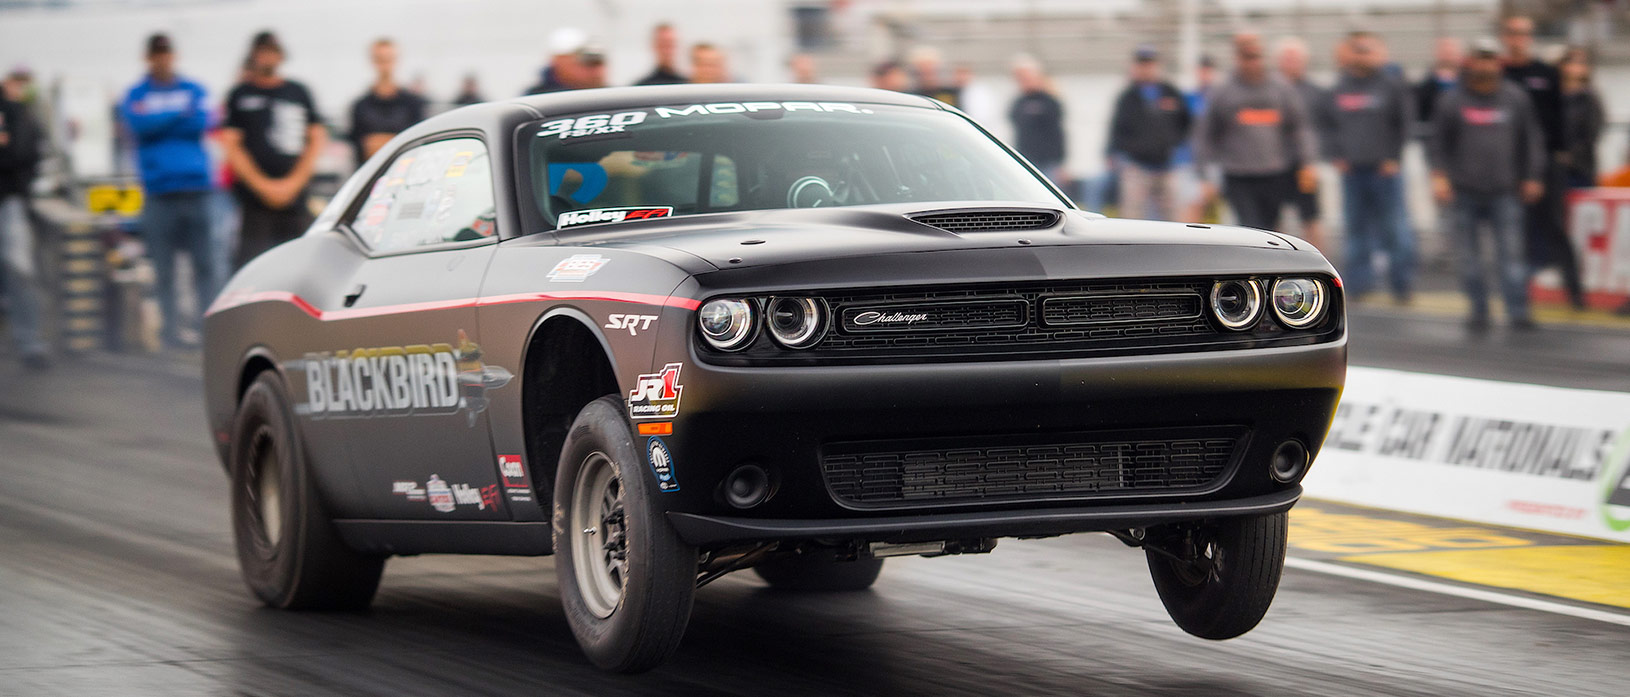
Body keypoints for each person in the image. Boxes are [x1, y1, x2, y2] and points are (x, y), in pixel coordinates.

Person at [1430, 38, 1545, 331]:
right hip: (1464, 191)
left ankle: (1518, 311)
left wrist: (1532, 175)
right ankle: (1478, 311)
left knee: (1511, 257)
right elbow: (1438, 144)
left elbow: (1530, 140)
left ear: (1499, 63)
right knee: (1469, 259)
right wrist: (1439, 177)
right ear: (1470, 63)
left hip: (1505, 191)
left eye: (1490, 59)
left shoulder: (1515, 98)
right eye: (1480, 59)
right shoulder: (1452, 100)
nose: (1485, 65)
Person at [119, 33, 218, 349]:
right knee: (164, 270)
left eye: (166, 53)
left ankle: (210, 332)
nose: (162, 59)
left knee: (206, 266)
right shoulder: (136, 93)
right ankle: (171, 334)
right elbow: (139, 126)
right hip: (159, 194)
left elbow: (202, 122)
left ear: (173, 56)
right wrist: (177, 115)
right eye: (156, 54)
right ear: (148, 57)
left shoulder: (194, 89)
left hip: (197, 190)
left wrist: (159, 121)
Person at [1194, 32, 1318, 231]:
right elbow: (1205, 135)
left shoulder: (1281, 88)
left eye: (1256, 56)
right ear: (1237, 58)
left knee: (1272, 229)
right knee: (1250, 227)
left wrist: (1307, 161)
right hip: (1238, 174)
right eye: (1247, 57)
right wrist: (1204, 175)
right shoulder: (1223, 91)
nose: (1253, 63)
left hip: (1274, 172)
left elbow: (1300, 127)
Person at [1325, 31, 1415, 302]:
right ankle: (1360, 285)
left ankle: (1402, 285)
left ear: (1378, 53)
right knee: (1356, 231)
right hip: (1352, 172)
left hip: (1384, 171)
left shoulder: (1392, 85)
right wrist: (1336, 156)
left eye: (1367, 49)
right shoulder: (1339, 87)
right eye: (1357, 49)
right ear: (1349, 53)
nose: (1362, 54)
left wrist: (1394, 157)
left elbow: (1405, 124)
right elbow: (1326, 126)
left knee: (1395, 229)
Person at [222, 31, 325, 269]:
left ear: (280, 55)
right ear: (254, 56)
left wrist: (293, 183)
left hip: (296, 200)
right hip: (255, 202)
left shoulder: (298, 92)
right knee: (252, 268)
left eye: (272, 52)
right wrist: (263, 186)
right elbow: (230, 144)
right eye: (262, 52)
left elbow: (317, 138)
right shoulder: (241, 94)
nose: (267, 58)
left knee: (300, 265)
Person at [1501, 14, 1584, 309]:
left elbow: (1560, 118)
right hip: (1509, 164)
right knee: (1514, 233)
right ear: (1505, 37)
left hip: (1546, 163)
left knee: (1555, 228)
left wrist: (1560, 154)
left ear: (1530, 37)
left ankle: (1575, 292)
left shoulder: (1546, 73)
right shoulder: (1496, 73)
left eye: (1524, 33)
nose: (1518, 39)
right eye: (1513, 33)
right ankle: (1518, 296)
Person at [1107, 45, 1190, 220]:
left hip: (1168, 165)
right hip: (1137, 166)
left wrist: (1177, 148)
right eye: (1142, 65)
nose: (1146, 69)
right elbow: (1117, 129)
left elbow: (1186, 124)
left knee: (1173, 216)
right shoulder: (1128, 97)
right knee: (1132, 215)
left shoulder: (1171, 92)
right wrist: (1115, 154)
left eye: (1150, 64)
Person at [0, 70, 46, 368]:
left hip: (9, 200)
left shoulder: (12, 110)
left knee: (19, 270)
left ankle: (30, 341)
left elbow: (23, 153)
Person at [1275, 36, 1329, 248]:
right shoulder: (1268, 90)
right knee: (1273, 221)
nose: (1292, 63)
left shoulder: (1317, 93)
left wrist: (1314, 160)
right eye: (1287, 58)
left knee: (1311, 217)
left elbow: (1325, 127)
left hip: (1304, 167)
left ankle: (1317, 266)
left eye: (1296, 58)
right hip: (1273, 166)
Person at [348, 38, 426, 165]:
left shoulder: (412, 103)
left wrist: (379, 142)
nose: (384, 65)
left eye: (388, 59)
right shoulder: (360, 106)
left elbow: (416, 142)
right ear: (372, 61)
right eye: (380, 59)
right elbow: (359, 147)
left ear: (396, 60)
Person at [1008, 54, 1066, 184]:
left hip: (1048, 160)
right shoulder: (1018, 102)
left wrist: (1060, 162)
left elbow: (1057, 133)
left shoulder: (1049, 102)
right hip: (1026, 158)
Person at [1559, 46, 1605, 189]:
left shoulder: (1590, 99)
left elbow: (1592, 133)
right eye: (1571, 62)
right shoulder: (1553, 96)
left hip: (1581, 168)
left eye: (1580, 63)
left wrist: (1570, 156)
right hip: (1554, 169)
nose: (1574, 67)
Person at [524, 28, 606, 94]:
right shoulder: (536, 100)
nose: (596, 71)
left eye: (599, 62)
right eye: (588, 62)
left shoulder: (612, 97)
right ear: (559, 60)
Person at [1415, 37, 1464, 135]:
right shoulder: (1426, 84)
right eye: (1444, 52)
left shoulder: (1468, 82)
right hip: (1434, 132)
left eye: (1450, 52)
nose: (1447, 56)